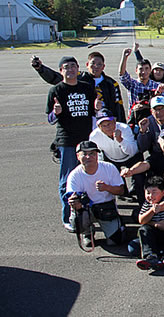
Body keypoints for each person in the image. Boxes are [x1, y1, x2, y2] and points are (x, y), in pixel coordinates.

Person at [47, 56, 100, 230]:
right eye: (66, 67)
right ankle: (68, 216)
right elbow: (50, 118)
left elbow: (94, 111)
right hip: (67, 140)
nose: (70, 70)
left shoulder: (87, 88)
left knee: (89, 176)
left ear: (78, 69)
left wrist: (98, 108)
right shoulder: (56, 90)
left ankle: (87, 212)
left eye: (72, 66)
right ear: (61, 71)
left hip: (86, 140)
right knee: (67, 180)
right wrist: (56, 113)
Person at [32, 51, 126, 122]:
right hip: (85, 121)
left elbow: (118, 106)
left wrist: (121, 124)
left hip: (106, 122)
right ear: (87, 65)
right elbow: (55, 77)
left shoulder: (111, 83)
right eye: (92, 64)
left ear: (103, 66)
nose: (96, 67)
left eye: (99, 64)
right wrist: (41, 69)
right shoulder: (78, 78)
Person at [66, 141, 125, 248]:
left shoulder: (109, 167)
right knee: (78, 218)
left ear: (97, 155)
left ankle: (117, 225)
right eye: (84, 154)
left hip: (106, 207)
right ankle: (87, 232)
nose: (88, 157)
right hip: (86, 209)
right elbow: (72, 198)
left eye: (92, 153)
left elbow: (121, 191)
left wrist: (107, 188)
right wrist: (75, 204)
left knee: (115, 241)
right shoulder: (74, 175)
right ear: (78, 156)